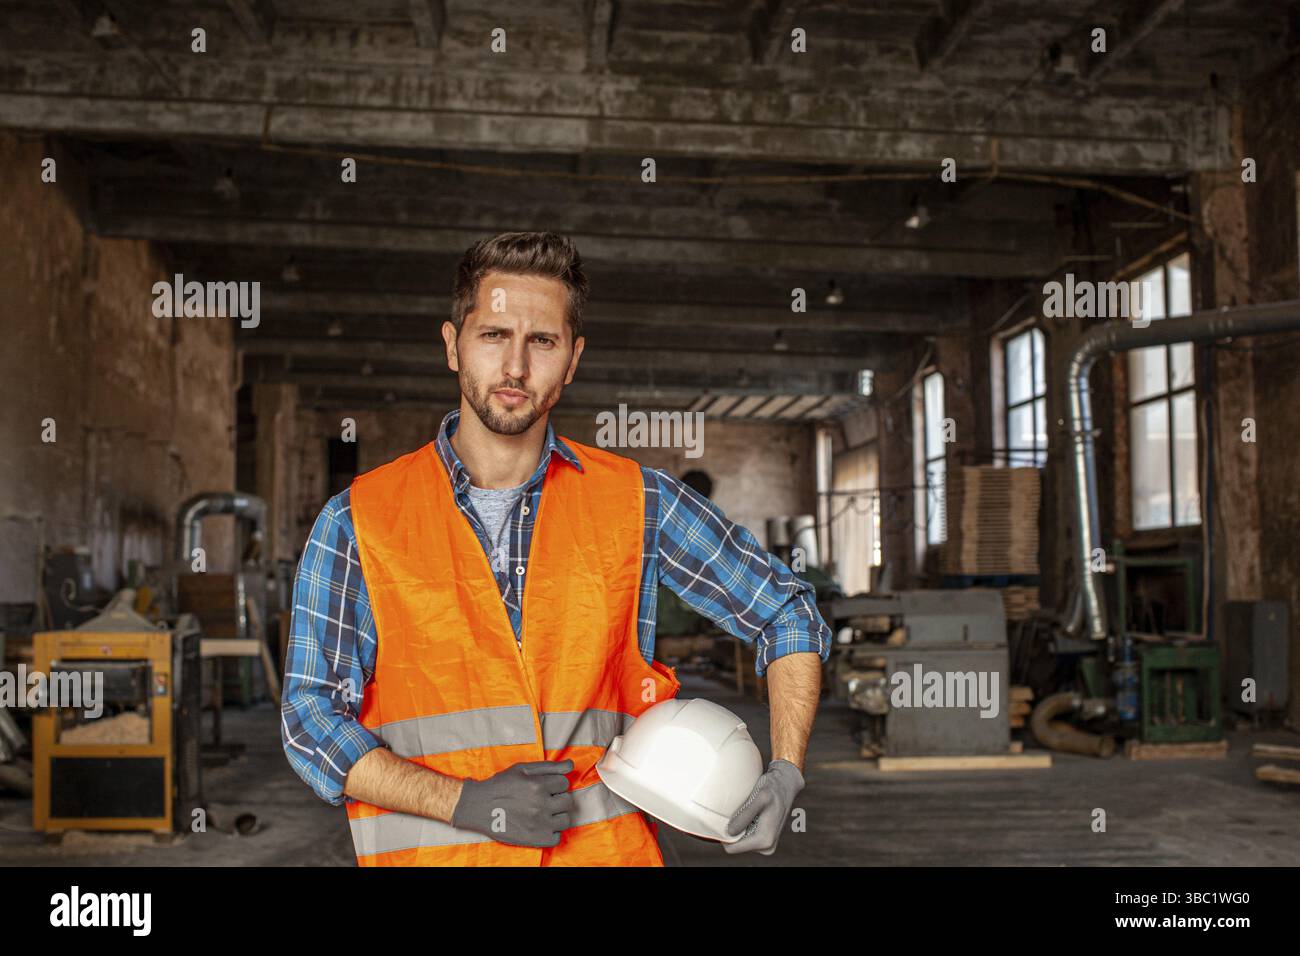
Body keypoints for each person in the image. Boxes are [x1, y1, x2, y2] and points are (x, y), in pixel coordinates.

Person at [281, 231, 830, 866]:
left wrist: (787, 768)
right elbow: (309, 719)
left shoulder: (638, 502)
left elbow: (787, 612)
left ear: (571, 359)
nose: (515, 368)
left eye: (541, 341)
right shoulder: (359, 519)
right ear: (453, 346)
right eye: (493, 335)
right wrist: (463, 801)